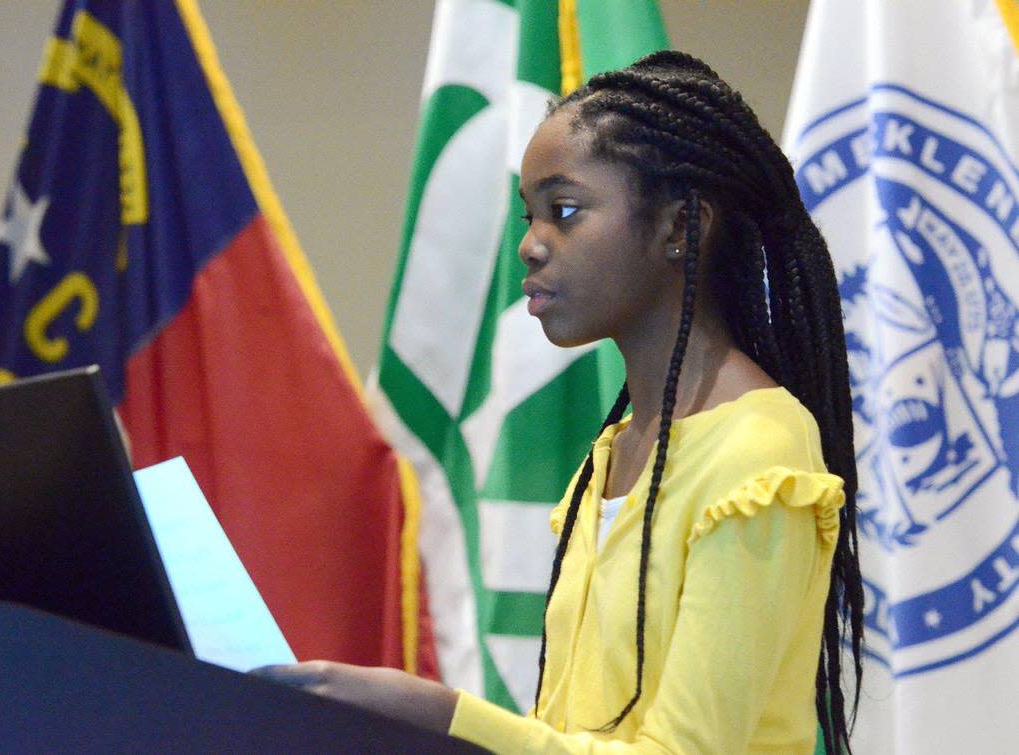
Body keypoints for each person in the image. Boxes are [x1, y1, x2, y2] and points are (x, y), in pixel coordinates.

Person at [259, 51, 864, 754]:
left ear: (681, 227)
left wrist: (443, 715)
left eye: (565, 211)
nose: (530, 245)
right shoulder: (613, 454)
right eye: (529, 215)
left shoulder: (760, 449)